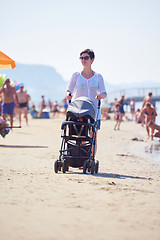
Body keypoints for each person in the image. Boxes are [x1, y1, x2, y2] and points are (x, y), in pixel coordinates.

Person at [66, 49, 107, 159]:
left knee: (93, 136)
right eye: (81, 58)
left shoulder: (98, 76)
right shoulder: (76, 75)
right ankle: (83, 158)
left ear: (92, 59)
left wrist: (100, 96)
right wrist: (68, 94)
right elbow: (68, 90)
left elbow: (104, 93)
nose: (83, 60)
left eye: (86, 58)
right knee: (82, 136)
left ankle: (91, 159)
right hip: (78, 110)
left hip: (94, 111)